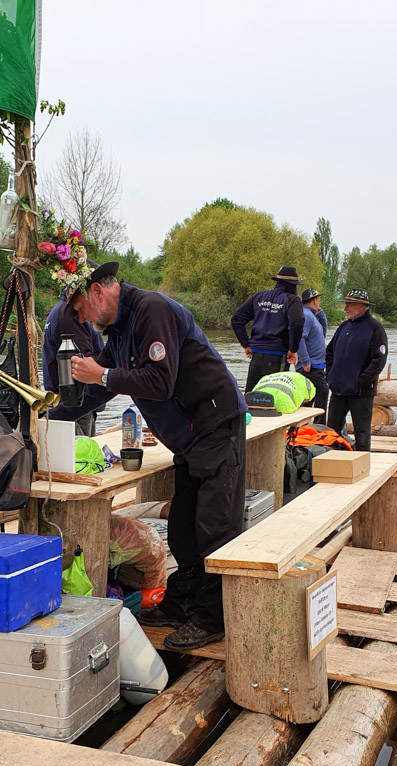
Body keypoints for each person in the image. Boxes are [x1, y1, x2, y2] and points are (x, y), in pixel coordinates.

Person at [64, 262, 247, 651]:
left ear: (99, 292)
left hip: (215, 426)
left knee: (215, 528)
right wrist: (54, 413)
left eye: (82, 309)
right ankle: (183, 603)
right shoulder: (121, 329)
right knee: (183, 527)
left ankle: (213, 618)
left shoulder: (153, 310)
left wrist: (102, 374)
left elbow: (159, 381)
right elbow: (104, 385)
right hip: (189, 437)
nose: (83, 319)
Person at [324, 289, 388, 452]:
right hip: (338, 390)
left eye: (349, 305)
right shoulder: (344, 327)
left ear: (362, 306)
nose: (345, 308)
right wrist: (330, 376)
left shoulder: (375, 328)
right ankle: (332, 462)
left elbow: (379, 359)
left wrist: (362, 380)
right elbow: (329, 351)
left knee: (362, 432)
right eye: (345, 304)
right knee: (331, 430)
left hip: (361, 391)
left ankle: (362, 465)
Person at [42, 289, 109, 435]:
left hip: (64, 400)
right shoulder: (69, 315)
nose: (82, 318)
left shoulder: (58, 310)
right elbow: (84, 362)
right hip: (76, 402)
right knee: (82, 453)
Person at [231, 265, 305, 391]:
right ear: (293, 285)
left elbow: (237, 319)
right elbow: (297, 323)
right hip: (278, 355)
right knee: (275, 397)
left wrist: (246, 344)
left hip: (256, 356)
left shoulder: (259, 297)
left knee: (251, 397)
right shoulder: (293, 300)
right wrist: (293, 349)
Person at [295, 294, 329, 416]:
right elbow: (300, 338)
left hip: (317, 364)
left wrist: (321, 316)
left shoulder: (312, 316)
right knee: (321, 391)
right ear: (315, 300)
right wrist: (305, 361)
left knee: (311, 395)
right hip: (310, 365)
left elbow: (322, 334)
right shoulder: (306, 315)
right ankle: (316, 425)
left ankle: (308, 425)